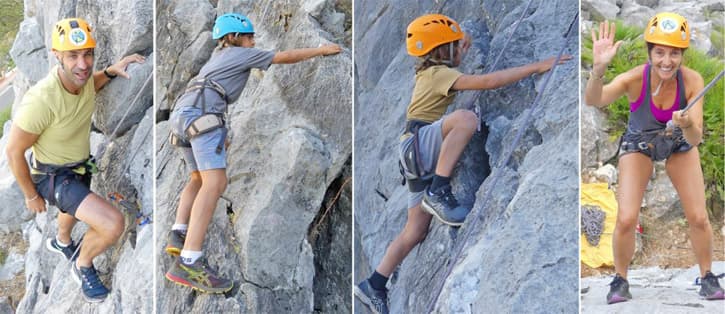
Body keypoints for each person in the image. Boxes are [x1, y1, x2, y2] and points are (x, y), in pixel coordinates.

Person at [353, 13, 570, 314]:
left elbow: (453, 59)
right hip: (419, 146)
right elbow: (487, 82)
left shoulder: (430, 73)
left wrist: (457, 45)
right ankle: (438, 191)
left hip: (414, 154)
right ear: (443, 52)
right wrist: (536, 66)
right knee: (466, 119)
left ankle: (374, 284)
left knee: (415, 231)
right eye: (456, 46)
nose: (462, 49)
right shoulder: (440, 76)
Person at [163, 13, 342, 293]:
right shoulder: (238, 53)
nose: (253, 41)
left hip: (183, 117)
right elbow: (285, 56)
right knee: (215, 182)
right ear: (233, 38)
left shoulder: (218, 56)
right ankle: (190, 260)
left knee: (197, 178)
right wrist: (321, 50)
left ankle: (179, 233)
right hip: (203, 116)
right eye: (249, 37)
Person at [584, 13, 724, 303]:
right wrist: (598, 70)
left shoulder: (692, 81)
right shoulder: (636, 79)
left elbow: (695, 138)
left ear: (682, 54)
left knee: (698, 217)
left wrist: (686, 124)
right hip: (640, 145)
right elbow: (594, 100)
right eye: (659, 52)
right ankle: (620, 279)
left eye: (674, 53)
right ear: (650, 52)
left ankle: (707, 276)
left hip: (680, 143)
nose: (666, 61)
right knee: (625, 218)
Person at [5, 18, 145, 302]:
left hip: (79, 167)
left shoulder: (83, 81)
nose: (83, 64)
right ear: (57, 55)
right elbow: (12, 151)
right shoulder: (41, 100)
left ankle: (62, 241)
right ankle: (82, 264)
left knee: (72, 209)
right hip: (53, 177)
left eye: (88, 54)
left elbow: (89, 83)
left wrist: (109, 71)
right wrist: (31, 195)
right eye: (72, 56)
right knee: (112, 224)